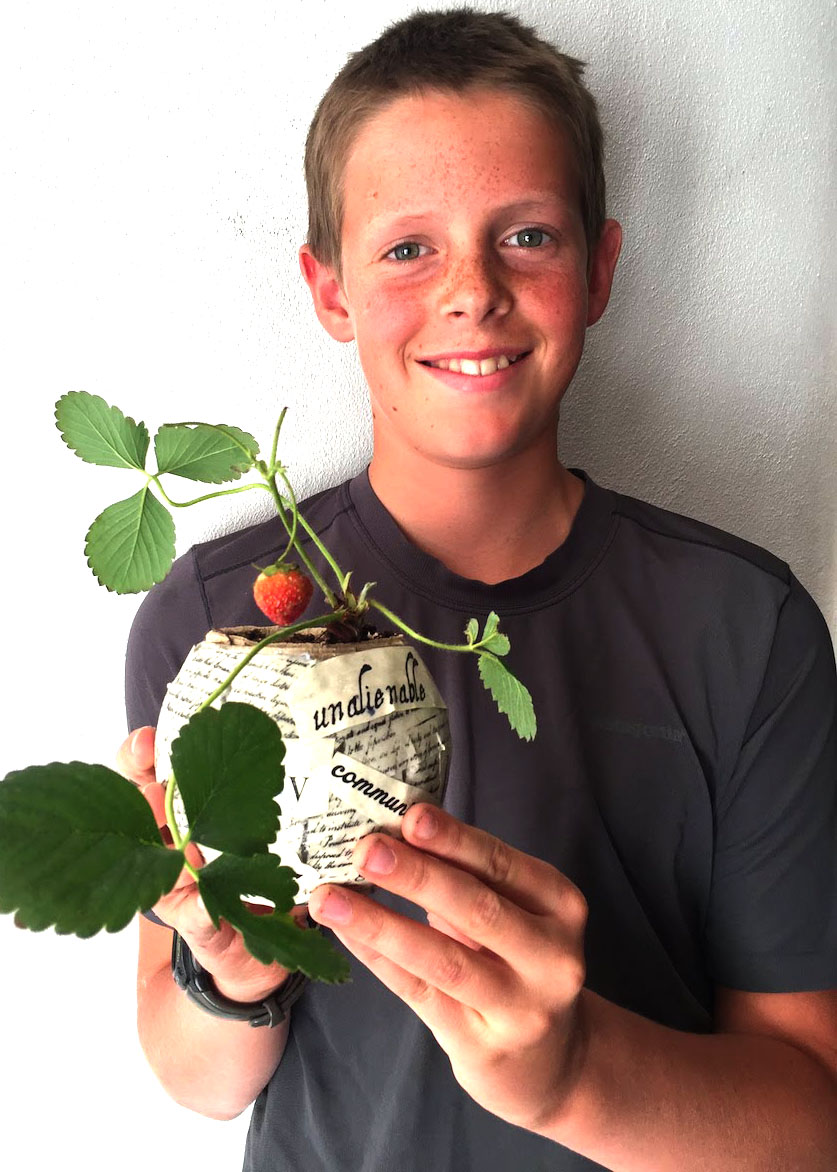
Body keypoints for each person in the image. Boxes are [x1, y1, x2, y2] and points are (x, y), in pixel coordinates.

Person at [120, 9, 837, 1169]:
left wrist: (574, 1077)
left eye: (530, 237)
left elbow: (810, 1116)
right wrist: (228, 970)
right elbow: (192, 1070)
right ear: (330, 288)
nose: (472, 290)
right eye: (408, 247)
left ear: (601, 270)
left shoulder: (747, 629)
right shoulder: (214, 618)